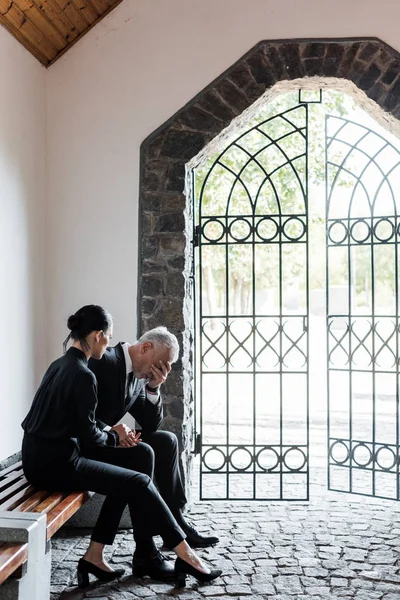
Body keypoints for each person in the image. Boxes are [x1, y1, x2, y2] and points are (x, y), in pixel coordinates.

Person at [21, 305, 221, 588]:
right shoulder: (89, 368)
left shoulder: (63, 364)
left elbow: (82, 421)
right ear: (99, 335)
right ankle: (182, 552)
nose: (109, 342)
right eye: (107, 336)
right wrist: (114, 434)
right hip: (59, 461)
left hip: (49, 456)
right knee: (136, 475)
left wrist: (153, 388)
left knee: (141, 462)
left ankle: (100, 554)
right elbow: (88, 429)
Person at [86, 326, 219, 581]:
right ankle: (146, 550)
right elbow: (82, 415)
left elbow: (150, 426)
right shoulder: (105, 361)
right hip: (93, 442)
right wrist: (113, 433)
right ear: (146, 348)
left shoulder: (138, 375)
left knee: (166, 440)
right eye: (161, 365)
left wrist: (154, 387)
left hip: (110, 439)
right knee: (142, 454)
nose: (161, 371)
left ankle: (176, 518)